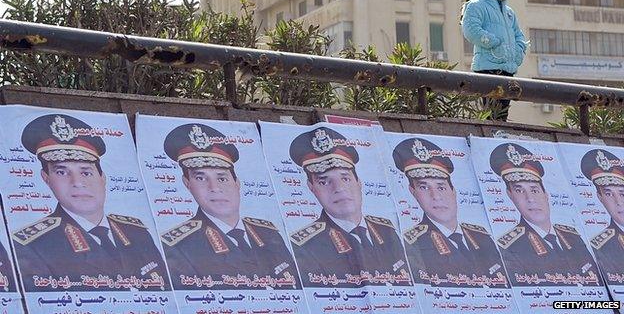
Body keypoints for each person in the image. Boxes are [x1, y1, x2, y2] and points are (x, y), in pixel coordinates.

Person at [13, 114, 169, 292]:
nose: (77, 182)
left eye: (86, 172)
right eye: (62, 173)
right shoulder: (34, 246)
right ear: (46, 178)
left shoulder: (137, 233)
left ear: (102, 178)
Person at [161, 123, 300, 290]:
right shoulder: (179, 247)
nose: (214, 188)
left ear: (237, 183)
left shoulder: (269, 233)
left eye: (222, 178)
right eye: (201, 178)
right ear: (187, 184)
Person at [289, 127, 411, 288]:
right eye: (324, 182)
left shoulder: (387, 230)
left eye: (345, 178)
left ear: (358, 181)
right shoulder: (305, 246)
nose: (338, 188)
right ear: (311, 187)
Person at [392, 138, 508, 288]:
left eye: (441, 187)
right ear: (412, 192)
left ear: (453, 190)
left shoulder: (482, 237)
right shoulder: (411, 243)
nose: (436, 196)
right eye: (424, 188)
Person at [490, 143, 602, 287]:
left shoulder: (573, 237)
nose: (530, 199)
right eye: (519, 191)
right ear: (509, 195)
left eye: (535, 190)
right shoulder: (510, 247)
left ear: (545, 194)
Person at [461, 0, 528, 121]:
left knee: (501, 117)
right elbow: (471, 30)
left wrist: (518, 53)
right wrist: (495, 43)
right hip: (488, 70)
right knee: (492, 116)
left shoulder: (509, 12)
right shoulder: (476, 5)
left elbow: (519, 36)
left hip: (507, 71)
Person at [581, 149, 624, 286]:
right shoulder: (600, 246)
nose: (619, 202)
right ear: (600, 198)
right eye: (609, 194)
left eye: (622, 194)